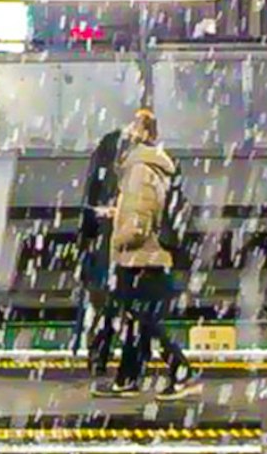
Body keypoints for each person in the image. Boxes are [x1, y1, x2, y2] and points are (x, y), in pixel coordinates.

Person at [100, 106, 190, 397]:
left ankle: (179, 367)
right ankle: (128, 377)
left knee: (145, 320)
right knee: (138, 319)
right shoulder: (148, 167)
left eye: (131, 130)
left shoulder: (140, 169)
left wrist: (118, 238)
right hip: (149, 256)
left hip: (141, 256)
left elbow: (139, 221)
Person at [75, 116, 128, 370]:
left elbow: (87, 213)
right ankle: (113, 353)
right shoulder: (130, 174)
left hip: (100, 252)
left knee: (102, 305)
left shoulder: (100, 171)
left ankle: (98, 353)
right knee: (120, 306)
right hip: (119, 251)